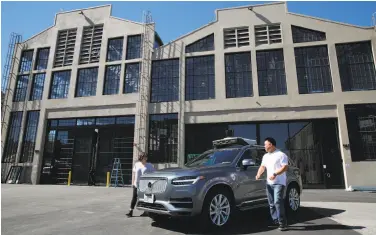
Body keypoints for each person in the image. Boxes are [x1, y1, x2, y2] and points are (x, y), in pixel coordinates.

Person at [256, 137, 289, 231]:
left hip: (279, 183)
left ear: (271, 144)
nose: (264, 146)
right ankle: (276, 220)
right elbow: (262, 166)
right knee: (271, 204)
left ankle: (282, 223)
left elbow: (285, 167)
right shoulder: (265, 156)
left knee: (277, 202)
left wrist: (275, 174)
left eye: (265, 144)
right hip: (269, 183)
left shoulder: (281, 155)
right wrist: (258, 174)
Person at [126, 153, 155, 217]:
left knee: (146, 198)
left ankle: (146, 211)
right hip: (137, 184)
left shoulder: (149, 165)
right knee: (134, 197)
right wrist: (132, 183)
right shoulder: (137, 164)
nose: (145, 158)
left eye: (146, 157)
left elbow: (154, 174)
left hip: (146, 184)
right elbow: (133, 173)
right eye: (144, 157)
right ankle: (130, 211)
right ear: (141, 158)